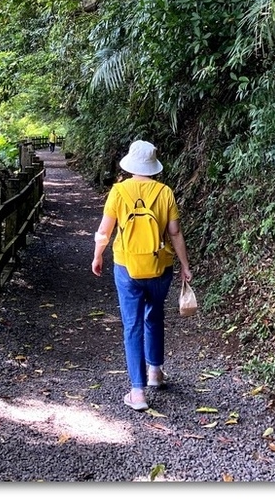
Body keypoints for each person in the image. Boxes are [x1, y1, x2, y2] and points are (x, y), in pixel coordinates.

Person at [92, 139, 192, 412]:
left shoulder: (118, 191)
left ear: (131, 164)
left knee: (132, 325)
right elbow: (175, 232)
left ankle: (137, 392)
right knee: (155, 315)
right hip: (160, 266)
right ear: (153, 166)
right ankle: (155, 372)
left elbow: (105, 230)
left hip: (127, 266)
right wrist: (185, 264)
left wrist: (98, 255)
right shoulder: (165, 192)